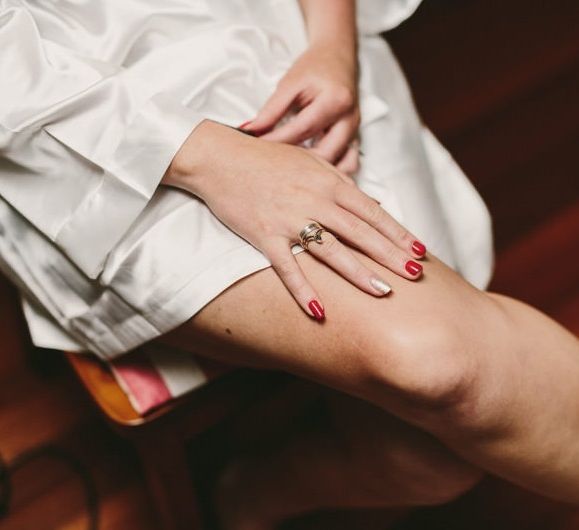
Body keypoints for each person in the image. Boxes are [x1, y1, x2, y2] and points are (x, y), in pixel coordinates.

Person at [0, 0, 577, 528]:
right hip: (76, 109)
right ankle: (246, 496)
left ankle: (248, 495)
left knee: (433, 456)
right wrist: (208, 159)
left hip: (275, 35)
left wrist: (332, 45)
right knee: (436, 364)